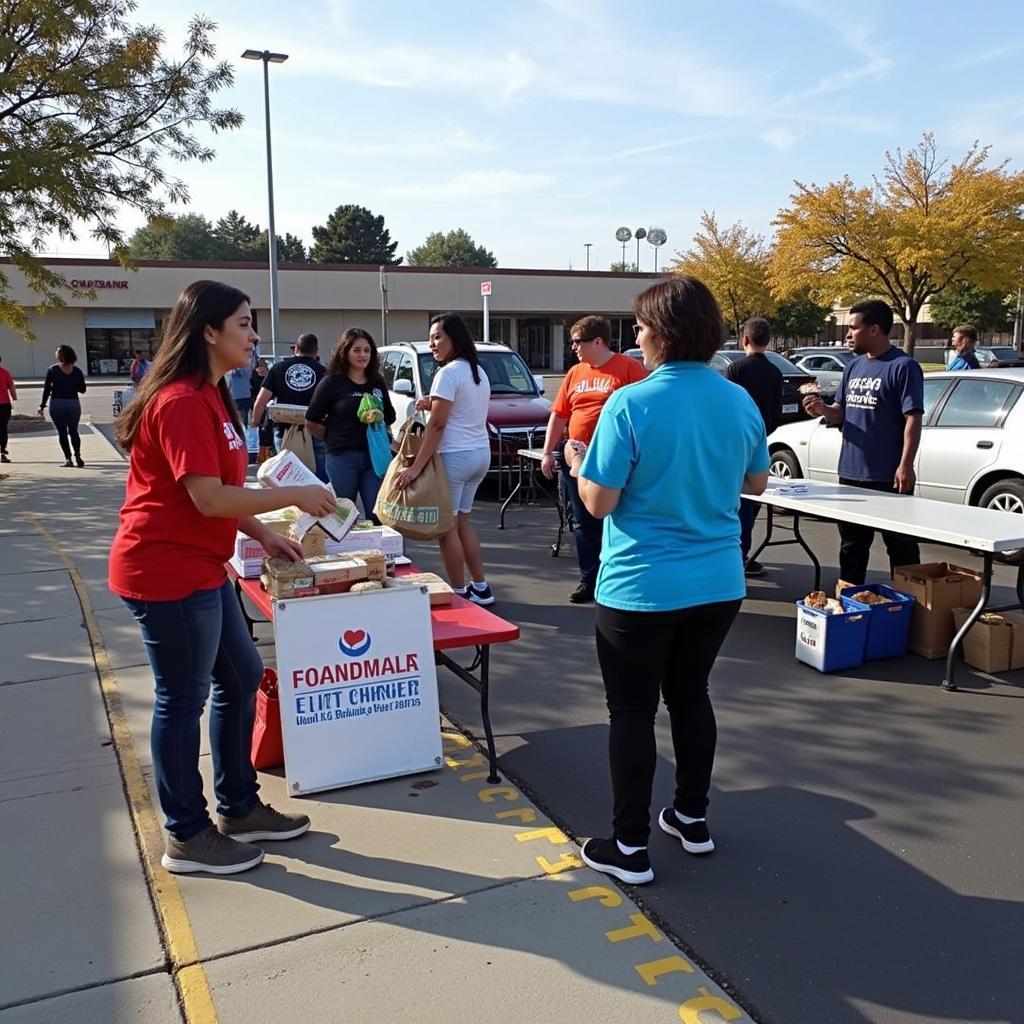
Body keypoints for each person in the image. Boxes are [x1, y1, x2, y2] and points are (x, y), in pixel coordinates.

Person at [108, 280, 337, 876]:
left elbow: (219, 493)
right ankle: (186, 834)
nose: (255, 334)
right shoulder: (181, 401)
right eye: (243, 323)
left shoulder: (211, 394)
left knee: (240, 677)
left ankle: (238, 806)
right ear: (208, 332)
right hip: (166, 572)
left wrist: (263, 533)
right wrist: (298, 495)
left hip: (203, 566)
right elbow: (208, 498)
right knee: (180, 702)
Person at [575, 276, 769, 886]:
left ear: (659, 332)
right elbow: (757, 483)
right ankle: (692, 817)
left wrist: (583, 468)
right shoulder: (736, 399)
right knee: (691, 695)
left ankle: (629, 846)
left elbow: (600, 503)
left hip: (642, 584)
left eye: (638, 327)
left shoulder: (631, 404)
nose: (635, 337)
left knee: (631, 710)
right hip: (717, 582)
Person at [802, 299, 924, 584]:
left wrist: (905, 465)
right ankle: (852, 607)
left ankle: (911, 611)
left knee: (901, 549)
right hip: (851, 474)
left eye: (853, 328)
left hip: (889, 476)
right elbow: (840, 412)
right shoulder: (853, 367)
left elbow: (913, 419)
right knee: (852, 547)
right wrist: (822, 409)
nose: (847, 334)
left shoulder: (903, 366)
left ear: (875, 330)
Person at [540, 316, 647, 603]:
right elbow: (560, 414)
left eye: (578, 342)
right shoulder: (575, 373)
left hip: (616, 458)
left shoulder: (628, 369)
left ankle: (621, 577)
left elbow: (646, 411)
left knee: (618, 517)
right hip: (577, 457)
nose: (573, 347)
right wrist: (548, 452)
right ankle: (590, 578)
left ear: (597, 342)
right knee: (583, 522)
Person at [393, 313, 495, 605]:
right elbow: (456, 411)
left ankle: (460, 593)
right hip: (479, 454)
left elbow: (437, 426)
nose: (432, 343)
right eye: (431, 337)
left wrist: (415, 467)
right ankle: (481, 587)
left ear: (455, 338)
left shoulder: (447, 373)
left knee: (446, 529)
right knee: (463, 523)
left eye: (438, 337)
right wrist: (430, 403)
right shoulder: (477, 371)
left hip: (454, 458)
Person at [305, 328, 396, 518]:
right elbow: (311, 421)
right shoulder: (331, 382)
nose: (363, 355)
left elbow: (391, 416)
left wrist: (377, 414)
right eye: (357, 350)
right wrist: (332, 437)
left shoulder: (376, 382)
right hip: (342, 458)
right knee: (344, 516)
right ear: (345, 352)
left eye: (367, 350)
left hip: (375, 458)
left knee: (378, 515)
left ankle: (379, 549)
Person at [723, 317, 783, 577]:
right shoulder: (775, 372)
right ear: (768, 341)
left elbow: (725, 408)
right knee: (750, 502)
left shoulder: (735, 370)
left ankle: (734, 556)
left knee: (734, 501)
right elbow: (776, 413)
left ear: (744, 339)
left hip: (733, 444)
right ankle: (742, 554)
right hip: (760, 442)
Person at [250, 333, 328, 481]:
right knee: (319, 479)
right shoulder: (323, 372)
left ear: (296, 348)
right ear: (316, 351)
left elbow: (261, 401)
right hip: (316, 431)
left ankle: (291, 503)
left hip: (284, 430)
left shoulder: (278, 369)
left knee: (288, 477)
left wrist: (256, 422)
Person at [38, 345, 87, 468]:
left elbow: (46, 389)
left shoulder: (52, 370)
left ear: (60, 355)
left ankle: (68, 459)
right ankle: (78, 455)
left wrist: (42, 405)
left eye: (57, 352)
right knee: (74, 431)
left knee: (62, 432)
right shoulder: (77, 371)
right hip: (73, 403)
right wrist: (72, 384)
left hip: (57, 403)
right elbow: (83, 390)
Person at [226, 344, 257, 425]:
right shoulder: (230, 368)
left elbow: (245, 373)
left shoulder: (246, 366)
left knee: (243, 421)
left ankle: (243, 434)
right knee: (234, 421)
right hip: (233, 397)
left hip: (243, 398)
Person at [250, 357, 275, 458]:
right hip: (259, 403)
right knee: (262, 428)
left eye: (263, 367)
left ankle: (267, 452)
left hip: (267, 403)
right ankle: (263, 453)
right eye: (259, 367)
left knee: (267, 427)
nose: (261, 369)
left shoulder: (269, 375)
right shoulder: (254, 376)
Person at [0, 354, 16, 463]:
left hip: (4, 404)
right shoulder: (5, 372)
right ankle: (2, 451)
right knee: (3, 428)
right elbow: (11, 387)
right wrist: (14, 398)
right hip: (4, 404)